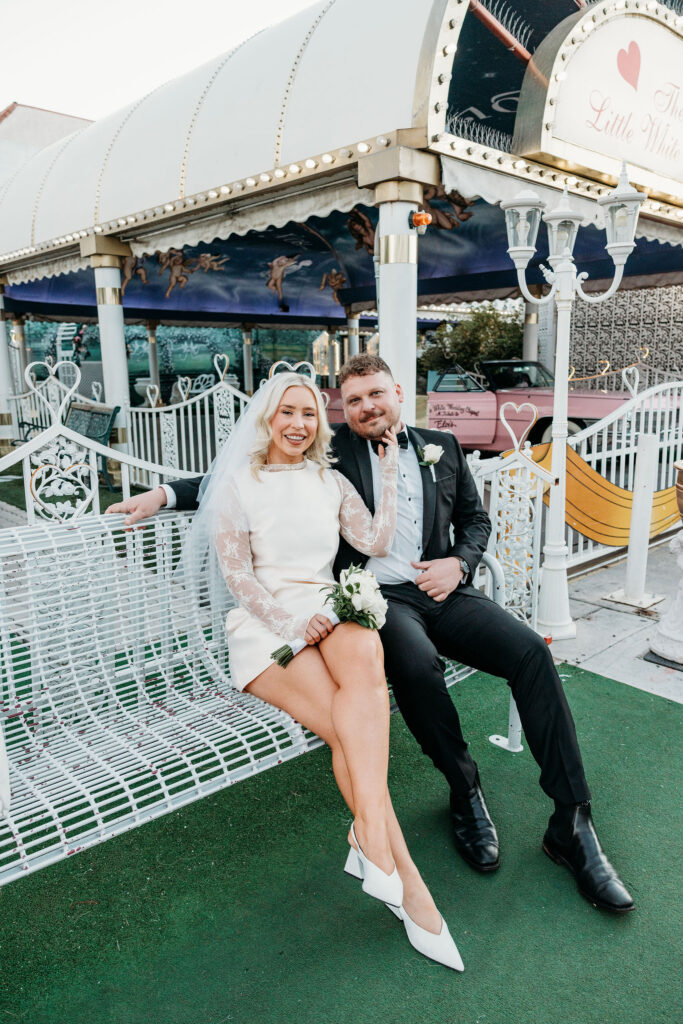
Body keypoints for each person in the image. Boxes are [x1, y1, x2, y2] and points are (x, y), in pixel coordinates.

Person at [108, 354, 634, 914]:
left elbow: (475, 522)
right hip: (379, 599)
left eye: (375, 395)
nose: (366, 408)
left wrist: (459, 562)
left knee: (530, 652)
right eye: (353, 401)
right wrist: (164, 494)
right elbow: (246, 477)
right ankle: (465, 789)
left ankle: (572, 822)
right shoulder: (326, 449)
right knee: (413, 665)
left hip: (445, 589)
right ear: (342, 409)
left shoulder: (444, 446)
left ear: (398, 392)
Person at [115, 365, 464, 972]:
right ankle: (408, 883)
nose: (299, 424)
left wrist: (384, 472)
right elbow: (239, 577)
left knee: (364, 665)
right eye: (288, 412)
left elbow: (377, 542)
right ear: (268, 418)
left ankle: (369, 841)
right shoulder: (237, 485)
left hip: (330, 607)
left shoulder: (330, 481)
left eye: (309, 413)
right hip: (267, 625)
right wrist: (289, 624)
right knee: (349, 726)